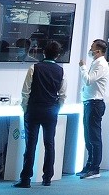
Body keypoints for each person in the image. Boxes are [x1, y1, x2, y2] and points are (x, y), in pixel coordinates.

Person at [15, 40, 67, 188]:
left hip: (34, 109)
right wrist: (57, 108)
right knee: (49, 144)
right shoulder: (61, 71)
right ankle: (47, 178)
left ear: (43, 53)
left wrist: (25, 108)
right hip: (51, 110)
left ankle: (26, 179)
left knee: (30, 145)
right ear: (57, 55)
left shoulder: (34, 68)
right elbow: (63, 94)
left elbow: (25, 91)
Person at [78, 38, 109, 179]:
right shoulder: (96, 63)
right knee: (88, 136)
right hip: (89, 102)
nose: (90, 50)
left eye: (92, 47)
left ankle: (95, 168)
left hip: (95, 103)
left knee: (94, 137)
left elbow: (88, 80)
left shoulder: (101, 64)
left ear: (98, 51)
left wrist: (83, 67)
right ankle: (89, 165)